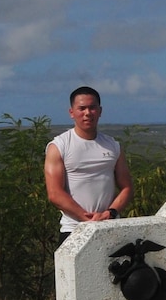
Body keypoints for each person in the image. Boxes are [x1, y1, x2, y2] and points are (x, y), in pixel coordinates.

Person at [45, 86, 133, 242]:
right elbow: (55, 194)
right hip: (74, 230)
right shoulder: (59, 146)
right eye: (82, 108)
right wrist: (88, 220)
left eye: (92, 108)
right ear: (71, 112)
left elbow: (127, 187)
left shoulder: (113, 146)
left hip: (109, 228)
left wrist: (110, 213)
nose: (87, 113)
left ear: (100, 111)